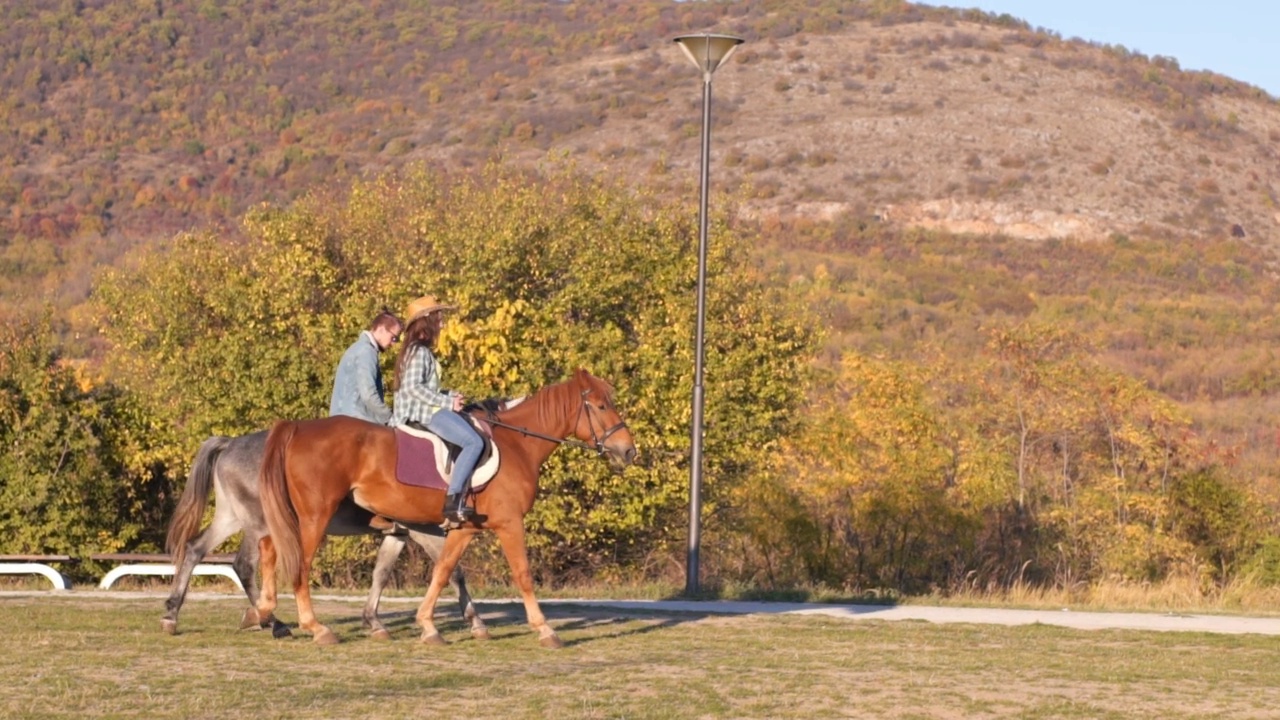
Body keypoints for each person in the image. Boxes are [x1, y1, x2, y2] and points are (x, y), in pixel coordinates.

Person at [392, 295, 483, 524]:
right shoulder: (419, 352)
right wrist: (447, 404)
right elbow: (412, 388)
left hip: (428, 407)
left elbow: (423, 387)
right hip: (423, 412)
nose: (442, 323)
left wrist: (450, 396)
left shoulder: (417, 351)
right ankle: (453, 500)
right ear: (427, 320)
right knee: (474, 442)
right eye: (439, 317)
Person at [329, 309, 402, 425]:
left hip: (340, 421)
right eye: (393, 338)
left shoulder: (356, 348)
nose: (393, 344)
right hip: (356, 423)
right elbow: (368, 394)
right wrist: (389, 417)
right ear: (381, 329)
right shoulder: (367, 352)